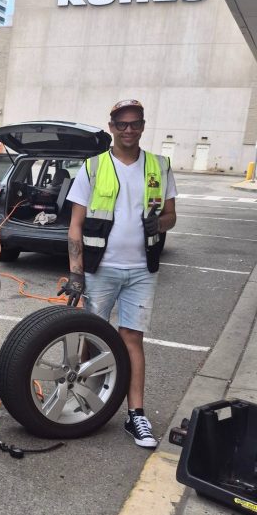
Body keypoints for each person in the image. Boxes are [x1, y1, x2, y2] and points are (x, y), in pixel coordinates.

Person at [59, 99, 177, 448]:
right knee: (91, 338)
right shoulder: (94, 168)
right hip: (100, 270)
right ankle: (84, 400)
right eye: (122, 124)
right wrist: (76, 274)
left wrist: (161, 221)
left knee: (131, 340)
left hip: (142, 270)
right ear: (111, 126)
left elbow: (171, 215)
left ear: (142, 126)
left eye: (135, 123)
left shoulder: (159, 166)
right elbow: (75, 226)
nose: (128, 130)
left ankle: (135, 416)